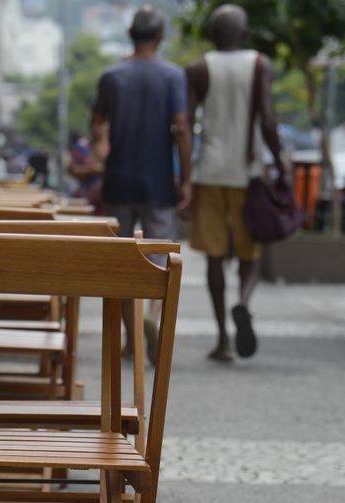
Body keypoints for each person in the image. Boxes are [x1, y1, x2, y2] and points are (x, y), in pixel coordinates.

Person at [90, 5, 192, 364]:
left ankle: (133, 338)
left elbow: (98, 127)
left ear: (130, 36)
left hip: (118, 180)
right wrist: (187, 179)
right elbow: (181, 128)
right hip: (159, 182)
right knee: (159, 261)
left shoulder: (112, 76)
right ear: (160, 37)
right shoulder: (172, 76)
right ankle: (150, 320)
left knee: (121, 263)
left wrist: (100, 147)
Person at [185, 4, 287, 362]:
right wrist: (281, 162)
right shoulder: (259, 65)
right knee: (250, 252)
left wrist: (184, 175)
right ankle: (242, 302)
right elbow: (268, 119)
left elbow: (184, 123)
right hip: (249, 173)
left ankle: (223, 340)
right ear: (244, 34)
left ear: (213, 35)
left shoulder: (199, 68)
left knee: (214, 255)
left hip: (210, 172)